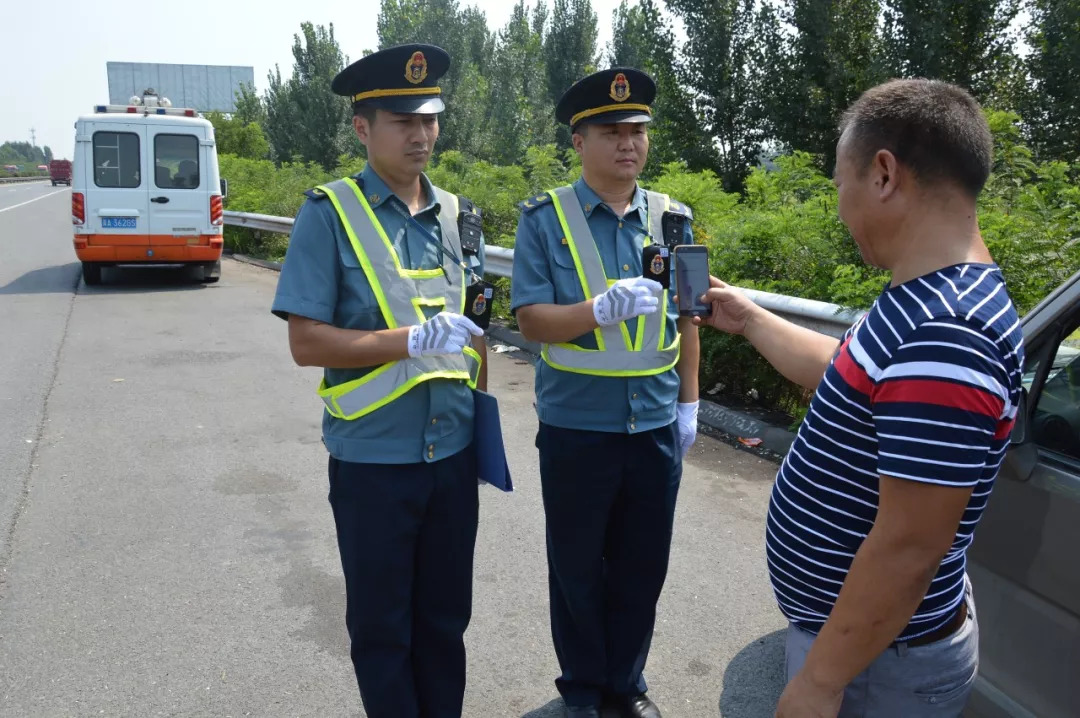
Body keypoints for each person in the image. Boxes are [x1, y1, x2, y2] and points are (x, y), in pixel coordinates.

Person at [694, 79, 1024, 717]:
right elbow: (845, 373)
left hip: (878, 669)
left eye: (839, 184)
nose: (841, 208)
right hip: (873, 655)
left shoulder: (948, 334)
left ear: (882, 174)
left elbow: (909, 546)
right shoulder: (925, 296)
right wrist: (752, 318)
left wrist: (820, 682)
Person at [270, 43, 489, 718]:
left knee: (445, 625)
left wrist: (484, 431)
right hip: (374, 464)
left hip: (451, 459)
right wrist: (408, 342)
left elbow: (477, 333)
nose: (421, 134)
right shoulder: (328, 214)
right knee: (382, 630)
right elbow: (305, 342)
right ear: (363, 128)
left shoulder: (460, 216)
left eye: (428, 119)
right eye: (402, 121)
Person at [510, 68, 701, 718]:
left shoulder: (674, 218)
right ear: (579, 139)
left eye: (637, 132)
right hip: (576, 428)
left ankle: (627, 685)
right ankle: (585, 690)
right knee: (577, 570)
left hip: (653, 427)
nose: (628, 144)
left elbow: (691, 313)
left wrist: (690, 404)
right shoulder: (544, 219)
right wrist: (598, 310)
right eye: (612, 132)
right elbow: (531, 320)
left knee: (643, 567)